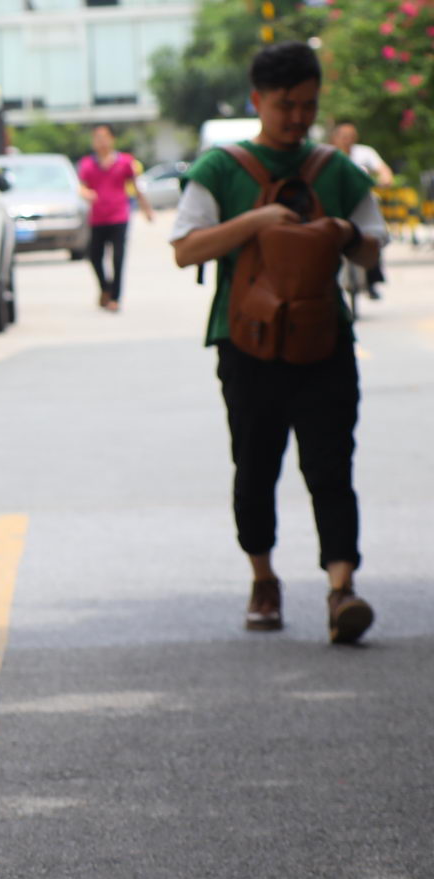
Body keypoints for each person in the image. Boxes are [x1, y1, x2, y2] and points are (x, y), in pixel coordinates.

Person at [171, 42, 388, 644]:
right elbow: (186, 248)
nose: (297, 118)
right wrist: (256, 223)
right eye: (285, 105)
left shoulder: (337, 171)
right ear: (257, 100)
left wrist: (344, 231)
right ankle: (263, 578)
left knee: (331, 467)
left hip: (325, 342)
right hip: (246, 345)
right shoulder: (220, 169)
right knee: (255, 467)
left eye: (308, 106)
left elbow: (373, 246)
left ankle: (341, 589)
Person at [77, 123, 154, 312]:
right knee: (95, 257)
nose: (101, 141)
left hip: (119, 216)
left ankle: (115, 298)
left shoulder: (125, 162)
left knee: (118, 258)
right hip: (97, 218)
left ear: (112, 139)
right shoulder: (87, 163)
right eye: (97, 137)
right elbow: (81, 186)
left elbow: (136, 187)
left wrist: (146, 209)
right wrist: (86, 193)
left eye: (105, 137)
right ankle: (105, 288)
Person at [330, 121, 393, 299]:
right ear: (335, 138)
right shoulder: (327, 158)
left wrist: (384, 179)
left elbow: (383, 170)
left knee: (374, 236)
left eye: (351, 136)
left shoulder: (364, 153)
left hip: (361, 205)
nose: (347, 140)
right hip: (337, 209)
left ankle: (372, 280)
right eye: (344, 136)